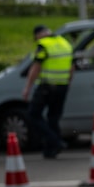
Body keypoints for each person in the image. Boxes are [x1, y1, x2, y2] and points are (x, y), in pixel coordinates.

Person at [22, 24, 74, 158]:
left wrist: (27, 87)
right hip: (62, 86)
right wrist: (68, 83)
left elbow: (36, 67)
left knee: (33, 114)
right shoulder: (65, 43)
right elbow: (72, 66)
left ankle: (55, 141)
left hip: (47, 86)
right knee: (53, 117)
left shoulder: (44, 45)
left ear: (38, 35)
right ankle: (50, 150)